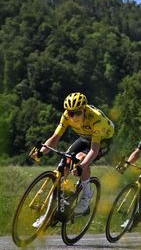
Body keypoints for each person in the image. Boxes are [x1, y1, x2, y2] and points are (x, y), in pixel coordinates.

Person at [31, 92, 114, 220]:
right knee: (63, 166)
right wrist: (41, 152)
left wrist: (82, 167)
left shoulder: (96, 119)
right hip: (85, 137)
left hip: (102, 141)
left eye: (77, 113)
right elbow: (55, 138)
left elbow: (94, 149)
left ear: (84, 110)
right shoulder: (66, 116)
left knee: (81, 159)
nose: (74, 117)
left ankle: (86, 196)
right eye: (71, 113)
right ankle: (51, 212)